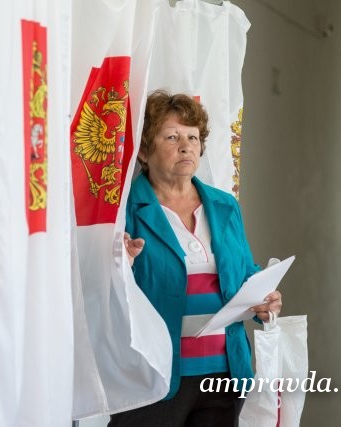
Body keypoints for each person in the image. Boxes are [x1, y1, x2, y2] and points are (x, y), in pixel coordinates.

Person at [109, 91, 282, 427]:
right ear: (144, 150)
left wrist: (265, 301)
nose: (186, 146)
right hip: (154, 376)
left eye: (193, 137)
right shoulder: (124, 209)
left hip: (223, 374)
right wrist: (122, 263)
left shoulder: (224, 205)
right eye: (172, 137)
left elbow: (245, 273)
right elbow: (103, 293)